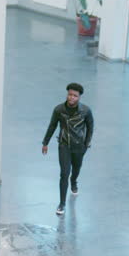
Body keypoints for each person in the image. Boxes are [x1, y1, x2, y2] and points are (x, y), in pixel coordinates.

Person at [41, 82, 94, 215]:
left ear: (79, 97)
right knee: (64, 173)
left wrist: (86, 144)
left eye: (75, 96)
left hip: (79, 147)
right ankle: (62, 204)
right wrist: (45, 142)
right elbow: (52, 126)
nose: (71, 97)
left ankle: (74, 181)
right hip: (64, 145)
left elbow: (90, 128)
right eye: (70, 94)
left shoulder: (86, 111)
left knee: (76, 169)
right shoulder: (59, 110)